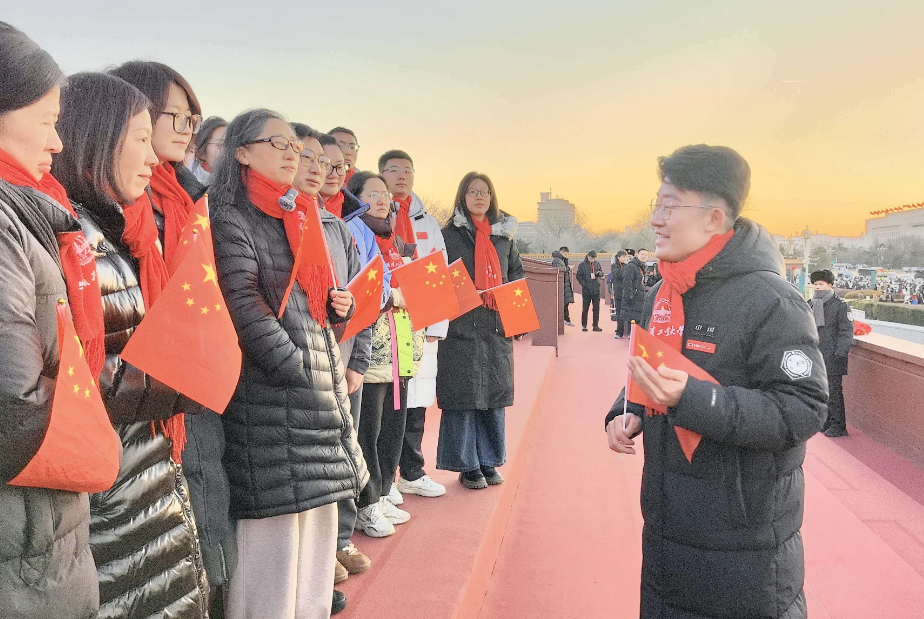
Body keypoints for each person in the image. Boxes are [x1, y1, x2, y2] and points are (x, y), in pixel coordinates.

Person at [605, 144, 827, 619]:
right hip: (667, 526)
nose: (656, 220)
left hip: (743, 546)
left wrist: (692, 399)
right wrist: (629, 409)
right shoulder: (662, 294)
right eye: (656, 205)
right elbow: (651, 368)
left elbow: (804, 409)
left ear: (714, 218)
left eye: (670, 206)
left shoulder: (772, 300)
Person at [55, 71, 210, 619]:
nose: (152, 158)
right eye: (141, 139)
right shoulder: (73, 239)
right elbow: (74, 373)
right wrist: (190, 376)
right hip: (109, 495)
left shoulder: (122, 232)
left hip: (143, 474)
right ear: (96, 138)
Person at [210, 109, 367, 619]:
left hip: (314, 394)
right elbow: (242, 303)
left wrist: (338, 309)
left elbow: (311, 305)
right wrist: (297, 367)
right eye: (278, 144)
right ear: (241, 152)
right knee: (272, 558)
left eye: (294, 147)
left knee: (314, 549)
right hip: (270, 399)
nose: (292, 154)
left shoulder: (296, 214)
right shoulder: (230, 215)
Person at [109, 60, 234, 615]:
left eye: (192, 118)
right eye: (174, 116)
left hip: (188, 378)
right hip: (141, 394)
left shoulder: (184, 200)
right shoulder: (113, 205)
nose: (186, 129)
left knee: (202, 503)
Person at [0, 23, 105, 619]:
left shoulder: (31, 211)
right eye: (46, 120)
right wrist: (96, 428)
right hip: (23, 540)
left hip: (39, 532)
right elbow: (14, 406)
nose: (59, 141)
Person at [291, 124, 374, 593]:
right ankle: (317, 556)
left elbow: (361, 299)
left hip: (342, 365)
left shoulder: (337, 228)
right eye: (311, 159)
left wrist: (357, 363)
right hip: (304, 368)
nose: (320, 169)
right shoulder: (284, 221)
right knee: (312, 465)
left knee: (344, 454)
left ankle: (340, 540)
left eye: (328, 163)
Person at [346, 170, 421, 537]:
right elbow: (368, 286)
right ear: (355, 197)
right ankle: (368, 499)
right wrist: (392, 296)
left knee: (392, 423)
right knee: (368, 428)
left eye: (384, 195)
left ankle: (383, 488)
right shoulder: (353, 231)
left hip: (398, 342)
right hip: (368, 344)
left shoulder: (391, 239)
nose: (381, 200)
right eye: (372, 193)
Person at [437, 172, 524, 489]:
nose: (479, 197)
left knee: (492, 394)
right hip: (460, 324)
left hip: (495, 325)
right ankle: (466, 465)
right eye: (473, 191)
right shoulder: (448, 235)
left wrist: (517, 319)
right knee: (464, 394)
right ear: (463, 196)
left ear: (492, 197)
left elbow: (515, 274)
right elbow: (439, 276)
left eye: (485, 192)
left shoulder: (504, 238)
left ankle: (489, 460)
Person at [378, 149, 449, 501]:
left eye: (407, 170)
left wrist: (437, 323)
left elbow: (440, 269)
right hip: (387, 319)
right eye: (394, 170)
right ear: (382, 175)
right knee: (388, 399)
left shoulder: (427, 222)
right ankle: (384, 477)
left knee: (418, 397)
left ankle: (412, 470)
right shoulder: (375, 215)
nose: (402, 176)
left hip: (421, 321)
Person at [810, 270, 854, 437]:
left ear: (829, 285)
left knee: (834, 391)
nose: (817, 287)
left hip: (833, 356)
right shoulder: (810, 304)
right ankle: (826, 421)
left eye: (821, 284)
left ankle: (838, 425)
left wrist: (840, 353)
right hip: (816, 355)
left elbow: (846, 332)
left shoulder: (840, 306)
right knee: (820, 391)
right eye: (815, 284)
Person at [189, 115, 227, 185]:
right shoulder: (188, 181)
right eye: (221, 145)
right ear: (201, 153)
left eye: (231, 144)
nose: (228, 150)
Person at [575, 250, 604, 331]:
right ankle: (584, 325)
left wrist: (599, 273)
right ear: (587, 256)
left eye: (594, 258)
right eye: (591, 258)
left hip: (596, 289)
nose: (592, 260)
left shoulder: (597, 264)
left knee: (596, 308)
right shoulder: (582, 265)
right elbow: (579, 276)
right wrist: (585, 284)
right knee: (585, 308)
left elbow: (602, 273)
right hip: (586, 290)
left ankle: (595, 325)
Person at [620, 247, 648, 331]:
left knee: (638, 318)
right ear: (637, 255)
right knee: (632, 318)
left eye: (646, 255)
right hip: (633, 297)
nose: (644, 256)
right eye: (642, 254)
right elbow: (627, 282)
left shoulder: (642, 266)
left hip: (640, 296)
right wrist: (630, 295)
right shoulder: (631, 266)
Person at [551, 246, 575, 326]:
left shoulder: (560, 260)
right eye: (566, 254)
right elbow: (560, 270)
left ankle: (567, 320)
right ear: (562, 252)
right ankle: (565, 320)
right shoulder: (557, 260)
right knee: (563, 304)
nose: (566, 255)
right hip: (562, 285)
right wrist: (568, 268)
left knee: (565, 304)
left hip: (565, 285)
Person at [612, 250, 629, 338]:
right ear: (618, 257)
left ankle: (629, 331)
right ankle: (619, 331)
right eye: (623, 257)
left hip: (627, 292)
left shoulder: (628, 266)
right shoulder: (614, 266)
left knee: (628, 312)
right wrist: (625, 266)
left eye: (625, 257)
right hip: (619, 292)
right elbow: (618, 275)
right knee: (619, 313)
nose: (624, 258)